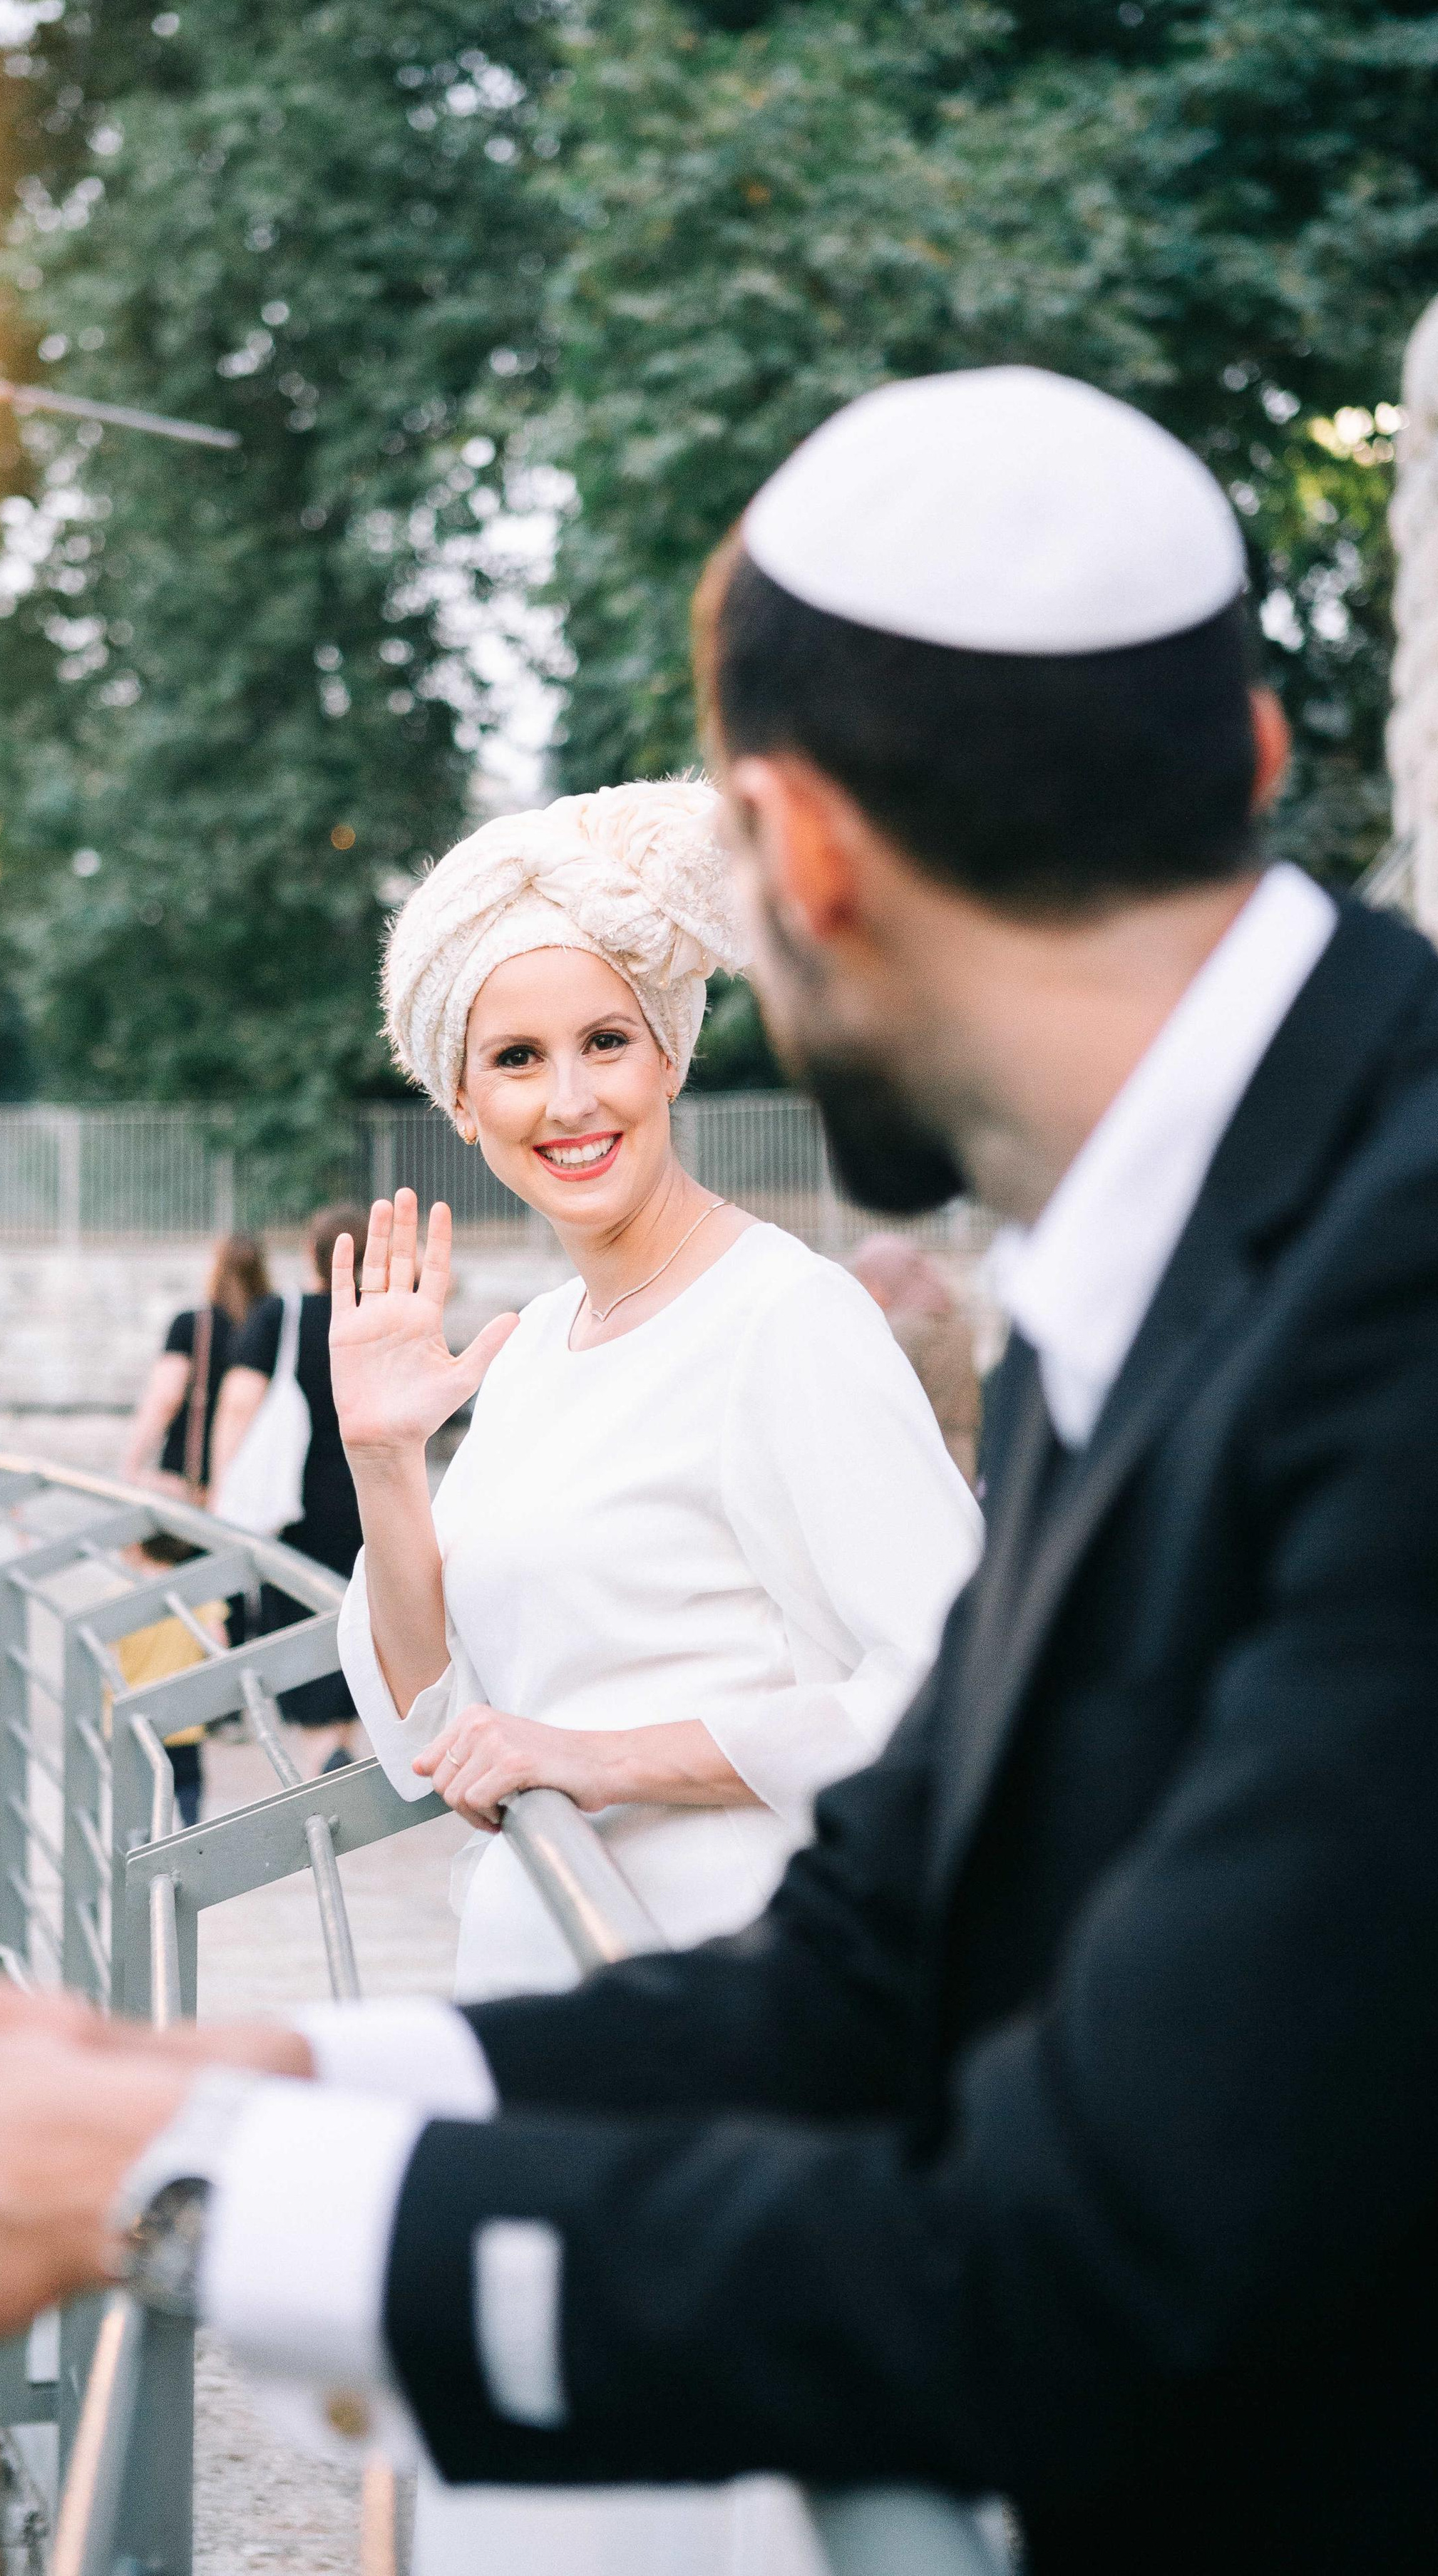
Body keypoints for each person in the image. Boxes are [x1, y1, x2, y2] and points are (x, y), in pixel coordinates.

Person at [0, 364, 1438, 2576]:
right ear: (1262, 761)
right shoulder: (1234, 1221)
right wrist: (186, 2094)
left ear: (792, 853)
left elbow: (1079, 2246)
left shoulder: (1401, 1299)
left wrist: (151, 2191)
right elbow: (877, 1951)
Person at [326, 783, 982, 2572]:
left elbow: (946, 1693)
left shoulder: (787, 1318)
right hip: (550, 2014)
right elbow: (422, 1721)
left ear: (667, 1048)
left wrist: (597, 1752)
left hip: (730, 2020)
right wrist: (385, 1463)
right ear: (463, 1105)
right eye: (517, 1059)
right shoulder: (529, 1345)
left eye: (604, 1038)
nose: (571, 1098)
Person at [210, 1203, 373, 1776]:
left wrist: (222, 1497)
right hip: (367, 1498)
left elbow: (237, 1406)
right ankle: (343, 1742)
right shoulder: (381, 1319)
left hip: (291, 1503)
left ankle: (322, 1749)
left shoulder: (280, 1315)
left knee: (299, 1616)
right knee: (355, 1617)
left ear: (311, 1254)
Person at [120, 1234, 272, 1502]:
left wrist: (131, 1466)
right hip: (257, 1478)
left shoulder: (193, 1325)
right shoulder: (276, 1328)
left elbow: (166, 1397)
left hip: (190, 1478)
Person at [848, 1235, 982, 1484]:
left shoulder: (900, 1330)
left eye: (868, 1280)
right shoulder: (956, 1324)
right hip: (962, 1454)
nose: (865, 1290)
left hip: (916, 1458)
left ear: (891, 1279)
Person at [112, 1534, 225, 1828]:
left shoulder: (121, 1594)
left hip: (133, 1717)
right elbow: (219, 1644)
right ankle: (190, 1836)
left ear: (136, 1547)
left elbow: (107, 1658)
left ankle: (146, 1847)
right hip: (184, 1715)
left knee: (141, 1796)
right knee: (188, 1783)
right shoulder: (196, 1592)